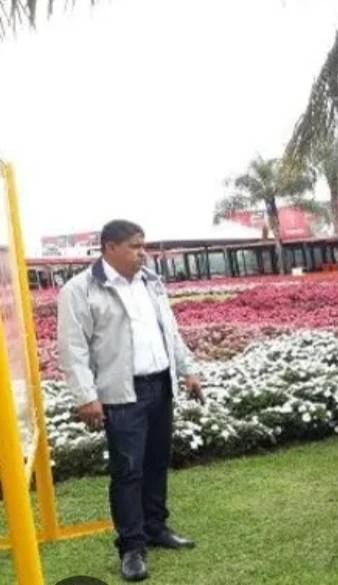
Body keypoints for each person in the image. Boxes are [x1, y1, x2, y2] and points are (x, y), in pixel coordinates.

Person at [57, 220, 203, 582]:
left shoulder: (150, 282)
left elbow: (169, 330)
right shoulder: (80, 290)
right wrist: (86, 396)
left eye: (143, 245)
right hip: (121, 394)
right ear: (109, 247)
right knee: (128, 472)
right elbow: (73, 348)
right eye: (135, 246)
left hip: (160, 385)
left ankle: (155, 527)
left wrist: (188, 370)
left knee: (155, 463)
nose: (143, 253)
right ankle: (132, 547)